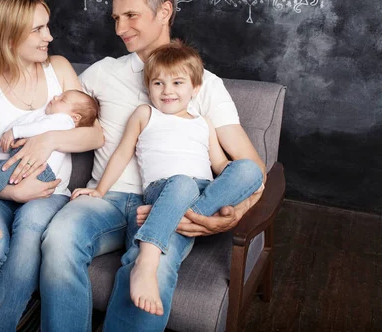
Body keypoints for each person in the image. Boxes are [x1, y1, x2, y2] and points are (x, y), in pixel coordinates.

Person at [37, 0, 267, 332]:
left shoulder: (203, 84)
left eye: (130, 16)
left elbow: (250, 166)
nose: (119, 28)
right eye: (115, 18)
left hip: (170, 204)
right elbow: (51, 103)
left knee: (152, 266)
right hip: (107, 198)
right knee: (59, 238)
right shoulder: (103, 73)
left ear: (164, 12)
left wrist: (233, 213)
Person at [70, 41, 263, 316]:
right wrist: (100, 190)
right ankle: (146, 262)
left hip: (203, 195)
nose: (167, 90)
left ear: (195, 88)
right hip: (165, 188)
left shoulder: (202, 122)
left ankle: (167, 216)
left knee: (250, 169)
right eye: (158, 83)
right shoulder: (145, 114)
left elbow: (219, 163)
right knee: (182, 182)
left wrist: (241, 177)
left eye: (177, 82)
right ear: (148, 87)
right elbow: (122, 153)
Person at [0, 0, 104, 332]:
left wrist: (47, 139)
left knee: (30, 235)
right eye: (38, 29)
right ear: (7, 35)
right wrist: (14, 194)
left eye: (47, 26)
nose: (49, 36)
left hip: (48, 193)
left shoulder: (59, 70)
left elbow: (95, 134)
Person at [0, 89, 99, 201]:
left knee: (3, 172)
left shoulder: (64, 121)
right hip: (31, 163)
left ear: (75, 117)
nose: (55, 97)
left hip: (40, 170)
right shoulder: (54, 117)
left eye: (62, 99)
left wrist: (14, 132)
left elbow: (39, 126)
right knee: (1, 166)